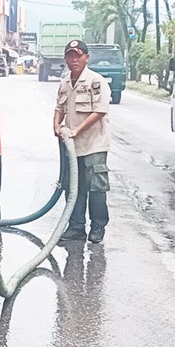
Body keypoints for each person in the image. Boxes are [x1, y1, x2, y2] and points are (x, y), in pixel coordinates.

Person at [54, 40, 111, 244]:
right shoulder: (65, 82)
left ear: (87, 57)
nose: (74, 59)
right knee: (73, 188)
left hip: (93, 145)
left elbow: (100, 111)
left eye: (78, 55)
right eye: (70, 56)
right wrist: (55, 125)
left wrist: (76, 130)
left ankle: (98, 227)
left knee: (96, 188)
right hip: (72, 147)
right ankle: (76, 227)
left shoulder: (96, 81)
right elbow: (59, 108)